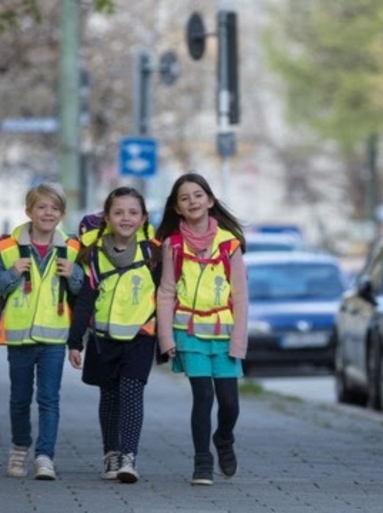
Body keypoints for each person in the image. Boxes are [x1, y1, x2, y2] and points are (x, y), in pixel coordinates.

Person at [0, 183, 83, 480]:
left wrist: (74, 275)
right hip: (20, 336)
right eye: (41, 207)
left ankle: (44, 457)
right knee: (19, 398)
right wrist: (13, 273)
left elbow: (84, 292)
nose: (48, 213)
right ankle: (19, 448)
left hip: (54, 337)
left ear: (62, 214)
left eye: (54, 208)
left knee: (49, 398)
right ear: (29, 211)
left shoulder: (72, 248)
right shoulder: (8, 247)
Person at [155, 172, 247, 486]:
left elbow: (240, 296)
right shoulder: (173, 246)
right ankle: (202, 462)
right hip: (189, 333)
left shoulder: (229, 245)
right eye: (184, 197)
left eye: (197, 195)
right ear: (177, 208)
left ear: (209, 201)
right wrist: (166, 338)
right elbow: (166, 292)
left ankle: (223, 438)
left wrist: (239, 341)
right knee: (203, 396)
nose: (192, 201)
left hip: (224, 334)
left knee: (230, 403)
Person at [67, 186, 160, 484]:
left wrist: (168, 338)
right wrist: (74, 341)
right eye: (118, 212)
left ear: (144, 218)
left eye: (133, 212)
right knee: (109, 397)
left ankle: (128, 457)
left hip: (140, 337)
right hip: (103, 339)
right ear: (106, 217)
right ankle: (111, 452)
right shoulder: (94, 255)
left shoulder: (153, 253)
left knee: (132, 394)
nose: (126, 218)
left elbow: (166, 294)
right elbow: (85, 300)